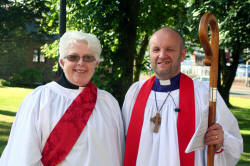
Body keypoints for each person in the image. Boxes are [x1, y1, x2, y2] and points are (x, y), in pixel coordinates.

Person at [0, 31, 124, 166]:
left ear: (96, 64)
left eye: (88, 58)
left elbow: (117, 154)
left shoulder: (108, 103)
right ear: (62, 62)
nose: (81, 63)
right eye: (73, 57)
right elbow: (23, 157)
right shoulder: (39, 100)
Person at [122, 27, 243, 166]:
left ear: (183, 54)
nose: (162, 55)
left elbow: (234, 143)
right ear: (149, 54)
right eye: (156, 49)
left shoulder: (204, 94)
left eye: (170, 49)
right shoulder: (135, 93)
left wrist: (221, 140)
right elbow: (120, 144)